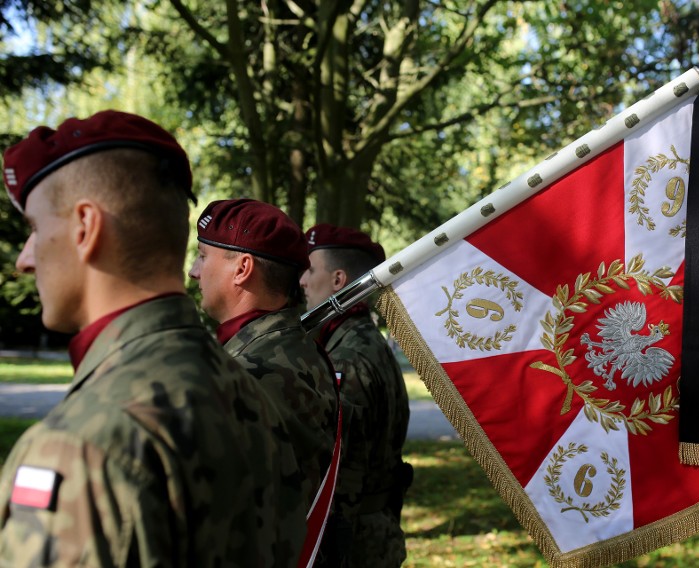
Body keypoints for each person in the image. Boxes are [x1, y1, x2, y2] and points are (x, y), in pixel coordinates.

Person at [0, 111, 306, 567]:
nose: (25, 259)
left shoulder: (82, 445)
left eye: (36, 229)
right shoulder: (248, 389)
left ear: (85, 228)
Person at [189, 198, 338, 511]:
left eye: (202, 257)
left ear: (242, 268)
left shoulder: (252, 374)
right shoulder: (282, 348)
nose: (194, 272)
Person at [300, 224, 411, 568]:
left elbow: (344, 474)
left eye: (310, 269)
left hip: (356, 546)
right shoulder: (366, 343)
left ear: (338, 280)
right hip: (375, 535)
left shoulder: (346, 359)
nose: (301, 280)